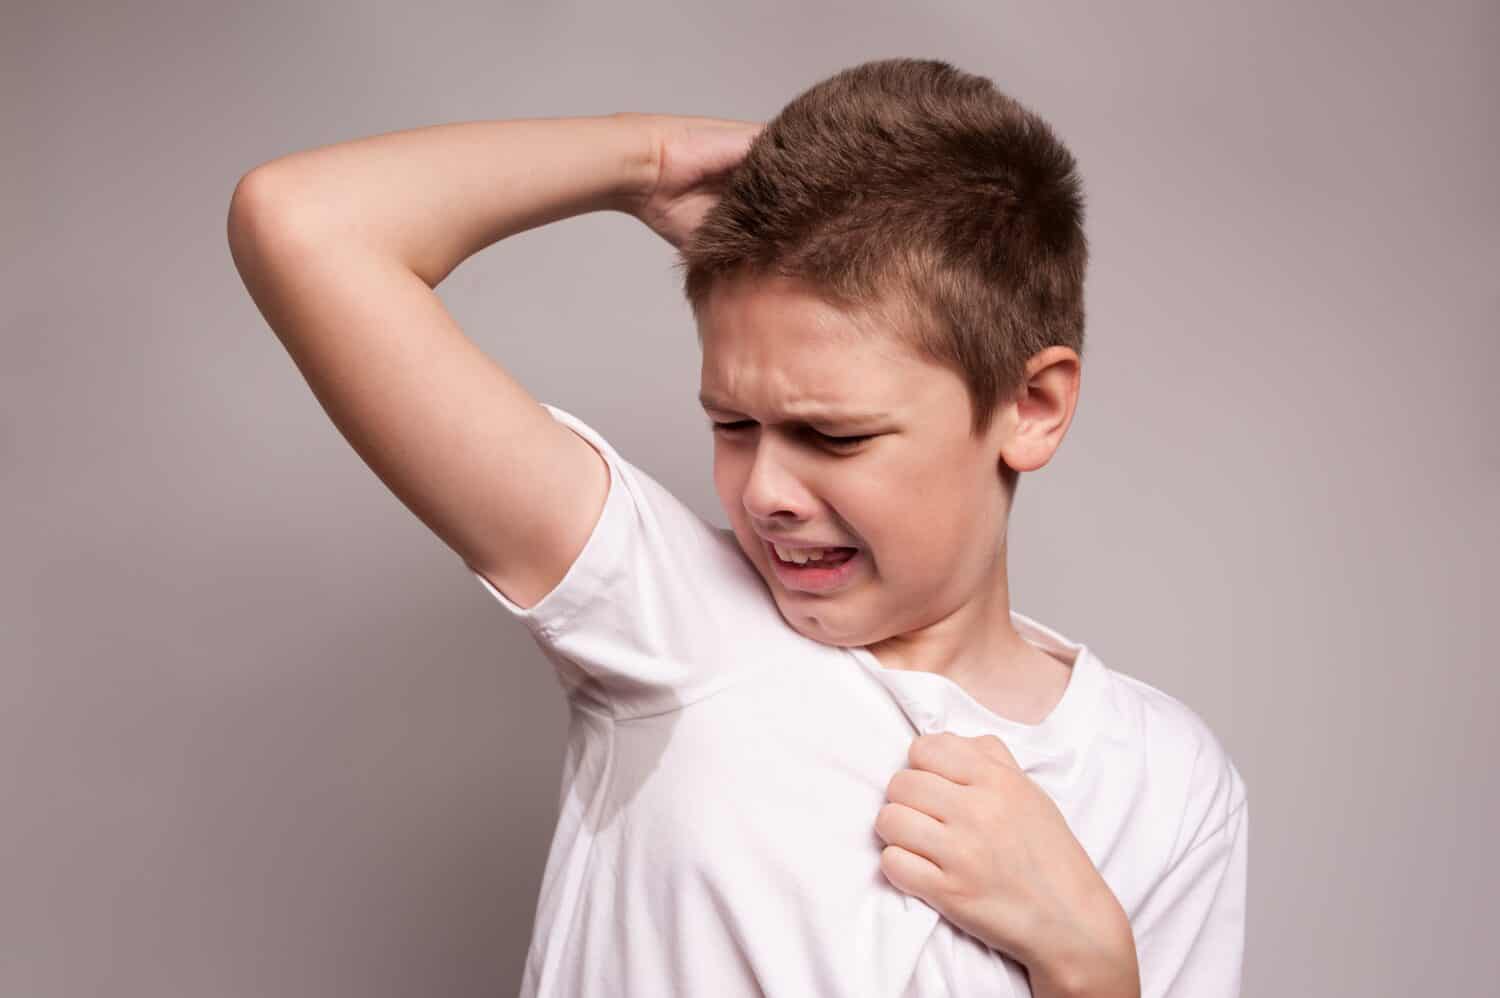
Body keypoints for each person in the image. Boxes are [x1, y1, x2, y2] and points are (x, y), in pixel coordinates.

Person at [228, 57, 1247, 998]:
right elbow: (304, 223)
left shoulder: (1165, 776)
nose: (765, 489)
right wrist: (645, 158)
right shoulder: (667, 618)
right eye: (732, 424)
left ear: (1032, 407)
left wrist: (1089, 958)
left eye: (832, 434)